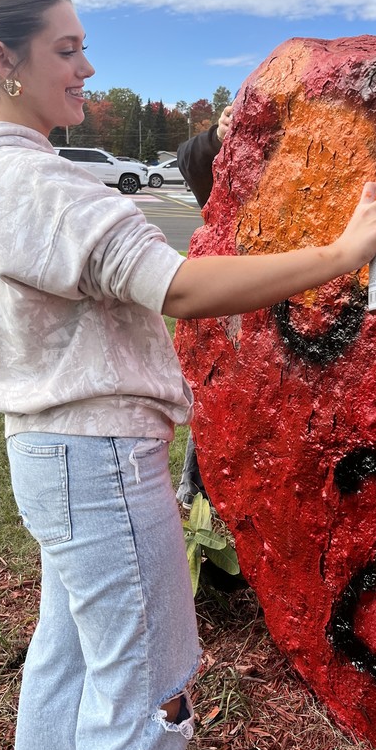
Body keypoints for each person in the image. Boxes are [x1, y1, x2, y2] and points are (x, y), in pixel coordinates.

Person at [0, 0, 376, 750]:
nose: (87, 69)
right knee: (152, 696)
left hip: (52, 458)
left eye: (85, 47)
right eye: (67, 50)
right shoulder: (34, 184)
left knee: (67, 667)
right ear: (4, 59)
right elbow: (176, 288)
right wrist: (345, 252)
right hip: (98, 460)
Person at [174, 103, 233, 510]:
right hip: (231, 314)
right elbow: (190, 158)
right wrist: (219, 136)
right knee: (215, 407)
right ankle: (198, 497)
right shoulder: (231, 166)